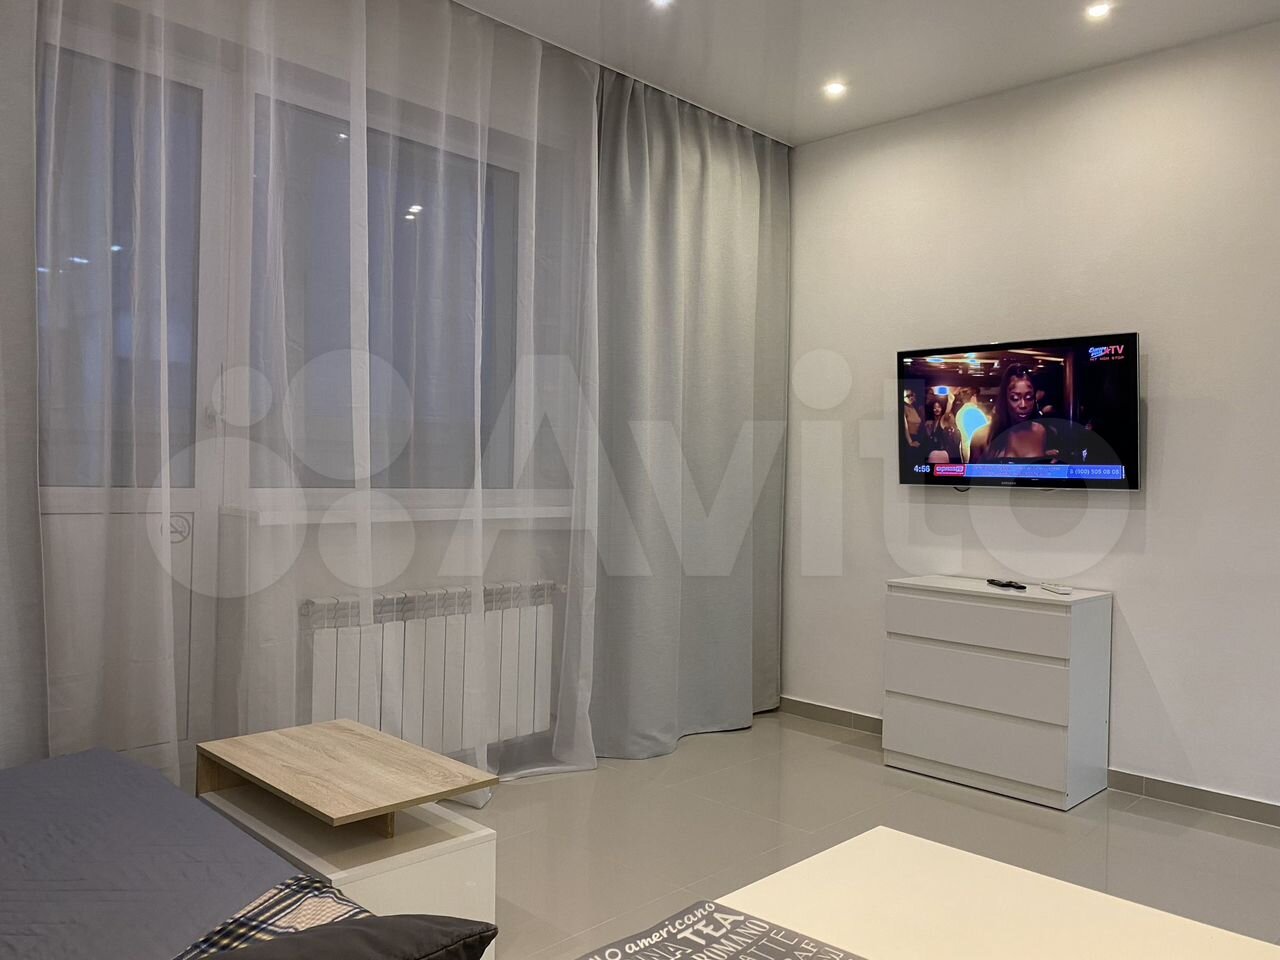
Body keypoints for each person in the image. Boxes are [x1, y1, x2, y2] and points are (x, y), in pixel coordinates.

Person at [969, 363, 1057, 462]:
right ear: (1004, 399)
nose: (1023, 405)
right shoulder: (981, 436)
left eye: (1029, 398)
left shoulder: (1041, 431)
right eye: (1015, 398)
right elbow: (970, 472)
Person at [921, 397, 962, 463]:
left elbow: (947, 413)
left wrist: (950, 401)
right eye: (934, 407)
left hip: (943, 453)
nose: (936, 409)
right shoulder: (931, 423)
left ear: (942, 408)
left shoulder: (943, 420)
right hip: (933, 452)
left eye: (939, 407)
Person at [954, 388, 989, 463]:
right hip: (976, 456)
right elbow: (983, 436)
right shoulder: (973, 412)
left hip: (966, 453)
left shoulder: (960, 412)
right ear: (974, 396)